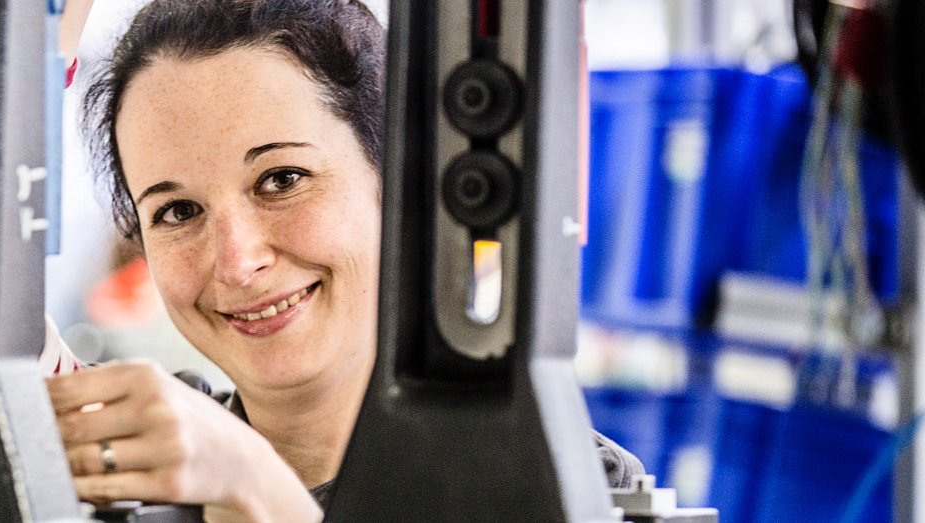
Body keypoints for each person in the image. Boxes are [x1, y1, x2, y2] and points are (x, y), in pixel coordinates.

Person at [45, 0, 643, 520]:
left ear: (398, 183)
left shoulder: (555, 487)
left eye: (282, 179)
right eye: (177, 212)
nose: (238, 260)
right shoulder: (150, 469)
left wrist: (257, 492)